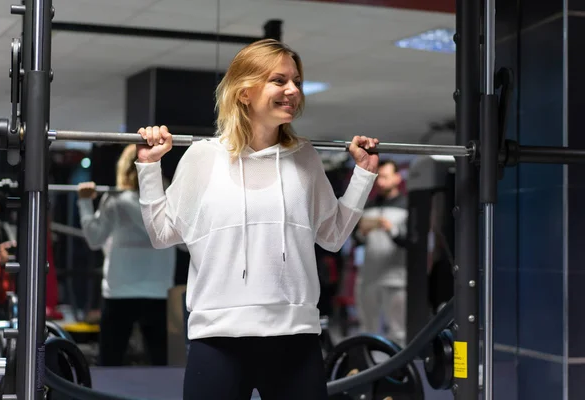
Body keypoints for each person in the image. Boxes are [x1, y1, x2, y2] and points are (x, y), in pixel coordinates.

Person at [134, 39, 380, 400]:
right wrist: (150, 167)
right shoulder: (204, 157)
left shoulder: (304, 157)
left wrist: (363, 176)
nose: (293, 90)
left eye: (296, 81)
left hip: (295, 337)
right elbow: (161, 233)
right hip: (218, 338)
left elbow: (331, 236)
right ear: (244, 91)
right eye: (279, 81)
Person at [76, 144, 177, 366]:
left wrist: (84, 202)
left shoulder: (115, 201)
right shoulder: (168, 203)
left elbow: (94, 239)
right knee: (161, 366)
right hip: (157, 291)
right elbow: (186, 243)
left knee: (110, 362)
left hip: (120, 292)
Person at [354, 159, 408, 344]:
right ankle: (369, 367)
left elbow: (411, 241)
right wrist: (361, 233)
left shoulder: (407, 205)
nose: (381, 182)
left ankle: (399, 370)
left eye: (385, 177)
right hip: (369, 276)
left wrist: (391, 229)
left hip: (395, 277)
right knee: (368, 328)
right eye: (378, 178)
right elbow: (356, 241)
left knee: (398, 330)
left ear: (397, 178)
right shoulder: (368, 206)